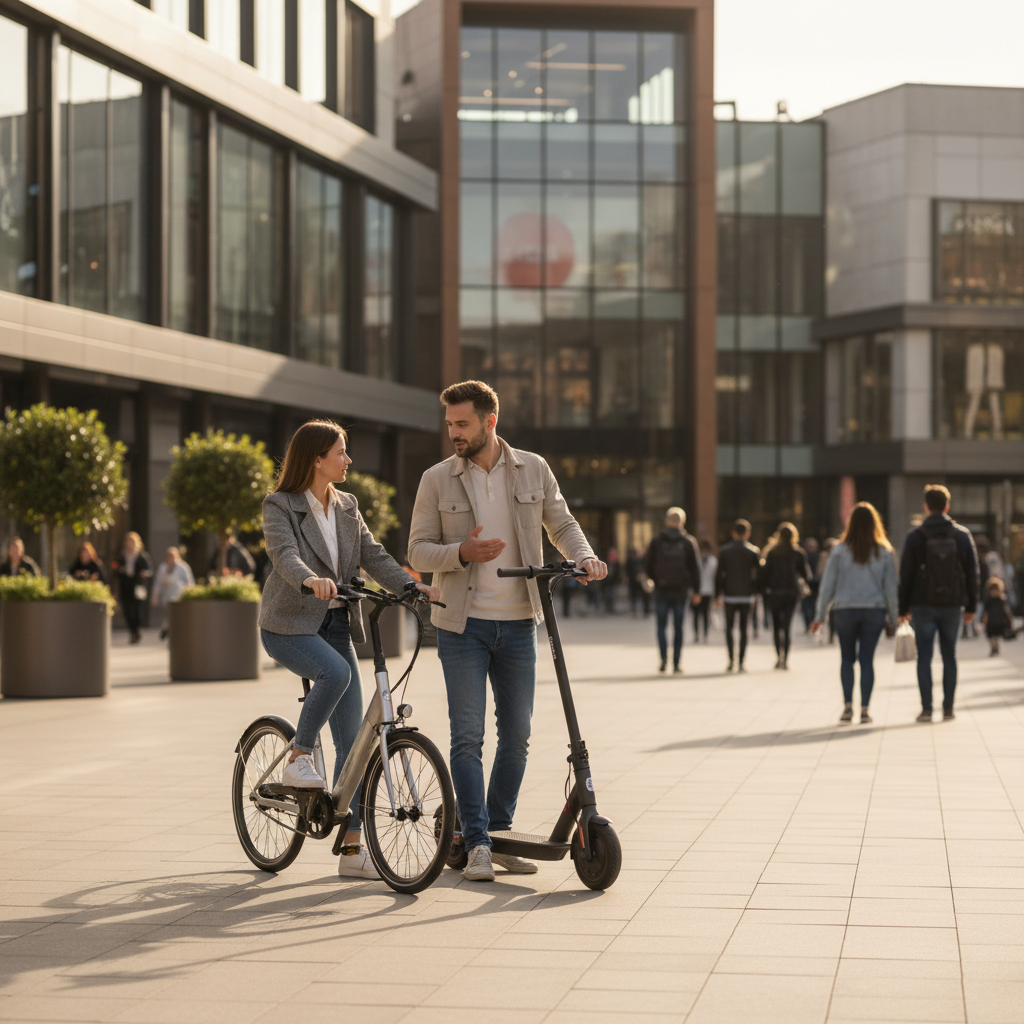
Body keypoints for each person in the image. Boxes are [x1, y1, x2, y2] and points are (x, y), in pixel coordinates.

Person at [408, 380, 605, 883]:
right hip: (461, 624)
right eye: (449, 423)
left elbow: (560, 522)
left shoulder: (533, 468)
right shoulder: (436, 479)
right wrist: (460, 554)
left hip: (519, 622)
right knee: (467, 737)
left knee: (517, 737)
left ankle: (497, 831)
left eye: (462, 423)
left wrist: (582, 556)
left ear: (490, 421)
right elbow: (416, 552)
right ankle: (474, 842)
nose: (453, 432)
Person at [259, 419, 439, 880]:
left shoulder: (347, 505)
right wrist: (308, 579)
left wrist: (412, 586)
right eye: (341, 452)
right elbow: (283, 555)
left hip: (337, 622)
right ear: (317, 458)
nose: (348, 459)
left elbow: (373, 554)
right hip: (289, 623)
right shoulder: (280, 504)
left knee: (353, 743)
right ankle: (300, 756)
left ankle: (352, 848)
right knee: (335, 675)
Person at [898, 484, 980, 723]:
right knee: (949, 655)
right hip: (952, 604)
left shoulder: (915, 537)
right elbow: (972, 573)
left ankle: (926, 709)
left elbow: (906, 575)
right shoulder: (962, 535)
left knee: (924, 656)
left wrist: (903, 608)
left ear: (926, 507)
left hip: (922, 604)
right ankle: (948, 708)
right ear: (947, 506)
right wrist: (972, 606)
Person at [811, 503, 898, 724]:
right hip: (874, 611)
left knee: (847, 659)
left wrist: (819, 615)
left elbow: (827, 586)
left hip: (844, 610)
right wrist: (894, 618)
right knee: (867, 660)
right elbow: (891, 588)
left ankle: (848, 707)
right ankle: (866, 709)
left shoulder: (839, 552)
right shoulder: (884, 552)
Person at [643, 507, 701, 674]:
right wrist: (696, 591)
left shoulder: (657, 540)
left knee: (661, 626)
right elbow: (695, 568)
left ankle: (663, 661)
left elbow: (647, 564)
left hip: (661, 589)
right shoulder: (688, 541)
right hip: (681, 591)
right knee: (678, 627)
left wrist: (654, 580)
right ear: (681, 522)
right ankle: (676, 664)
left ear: (667, 521)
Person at [759, 522, 811, 670]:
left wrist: (764, 589)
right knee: (787, 627)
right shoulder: (798, 552)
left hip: (775, 593)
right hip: (791, 593)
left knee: (776, 627)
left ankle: (778, 656)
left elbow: (764, 573)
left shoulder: (772, 551)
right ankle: (785, 659)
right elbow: (806, 575)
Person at [715, 519, 760, 672]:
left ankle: (731, 660)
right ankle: (741, 661)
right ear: (747, 534)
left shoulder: (725, 551)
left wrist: (717, 595)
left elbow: (719, 575)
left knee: (728, 628)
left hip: (729, 594)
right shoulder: (753, 552)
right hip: (747, 595)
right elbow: (758, 575)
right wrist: (756, 591)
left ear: (733, 533)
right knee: (743, 629)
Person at [113, 532, 153, 644]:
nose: (130, 544)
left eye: (132, 542)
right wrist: (120, 570)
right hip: (125, 587)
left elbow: (150, 571)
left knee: (137, 611)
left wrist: (145, 574)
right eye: (128, 542)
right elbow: (115, 571)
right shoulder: (121, 556)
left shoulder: (142, 557)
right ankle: (133, 632)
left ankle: (135, 631)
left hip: (138, 587)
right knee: (127, 611)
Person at [151, 547, 196, 639]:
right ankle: (167, 629)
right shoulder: (163, 567)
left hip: (179, 596)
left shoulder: (183, 567)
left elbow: (189, 581)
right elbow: (158, 582)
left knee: (176, 616)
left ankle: (168, 630)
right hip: (167, 596)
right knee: (168, 614)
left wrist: (190, 593)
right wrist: (155, 596)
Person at [982, 576, 1013, 657]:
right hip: (992, 622)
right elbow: (986, 613)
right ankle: (994, 648)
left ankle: (995, 648)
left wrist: (1009, 620)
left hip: (999, 621)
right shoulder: (989, 600)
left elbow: (1007, 611)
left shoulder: (1002, 600)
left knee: (994, 636)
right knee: (992, 636)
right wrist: (984, 623)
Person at [692, 540, 717, 642]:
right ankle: (696, 634)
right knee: (696, 615)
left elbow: (716, 577)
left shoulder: (713, 561)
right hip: (696, 591)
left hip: (708, 591)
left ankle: (705, 634)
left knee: (706, 614)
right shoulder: (695, 560)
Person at [801, 536, 821, 631]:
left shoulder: (819, 557)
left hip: (816, 585)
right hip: (807, 584)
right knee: (806, 605)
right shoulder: (804, 557)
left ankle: (811, 622)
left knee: (812, 605)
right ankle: (808, 624)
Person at [625, 547, 651, 617]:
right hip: (633, 582)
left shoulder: (642, 560)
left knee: (644, 597)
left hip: (642, 582)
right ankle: (634, 611)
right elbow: (627, 571)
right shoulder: (630, 561)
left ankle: (645, 611)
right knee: (633, 597)